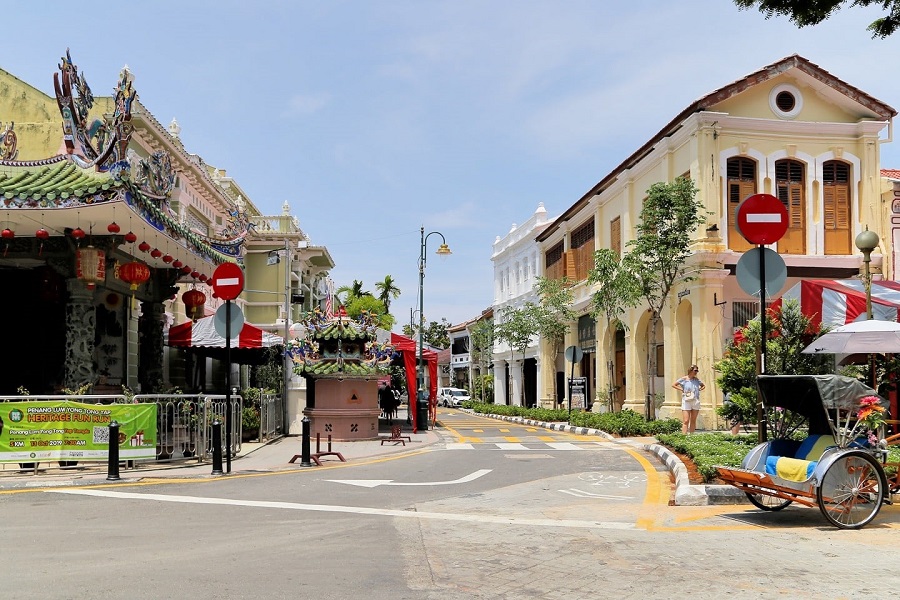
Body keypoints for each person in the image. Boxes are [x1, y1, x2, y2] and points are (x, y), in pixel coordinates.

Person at [673, 364, 705, 434]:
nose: (696, 372)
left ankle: (691, 436)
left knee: (693, 420)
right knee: (686, 420)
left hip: (695, 400)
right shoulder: (684, 379)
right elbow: (674, 385)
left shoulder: (697, 380)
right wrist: (682, 389)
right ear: (691, 370)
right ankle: (683, 436)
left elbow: (703, 386)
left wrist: (699, 389)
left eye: (697, 371)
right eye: (695, 370)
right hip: (686, 400)